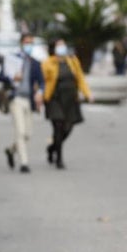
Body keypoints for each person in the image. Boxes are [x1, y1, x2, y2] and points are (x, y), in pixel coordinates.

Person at [42, 38, 92, 170]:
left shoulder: (73, 61)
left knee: (68, 128)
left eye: (63, 45)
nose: (61, 48)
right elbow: (42, 81)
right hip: (54, 99)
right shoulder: (48, 63)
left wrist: (87, 94)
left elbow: (80, 78)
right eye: (59, 45)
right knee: (58, 127)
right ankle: (59, 159)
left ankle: (52, 147)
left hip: (70, 100)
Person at [0, 33, 44, 174]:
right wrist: (12, 76)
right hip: (16, 98)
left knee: (28, 134)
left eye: (31, 42)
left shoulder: (35, 63)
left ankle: (11, 150)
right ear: (21, 43)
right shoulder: (12, 59)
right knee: (20, 131)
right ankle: (24, 163)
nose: (29, 45)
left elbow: (42, 82)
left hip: (29, 100)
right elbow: (0, 76)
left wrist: (40, 92)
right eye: (26, 42)